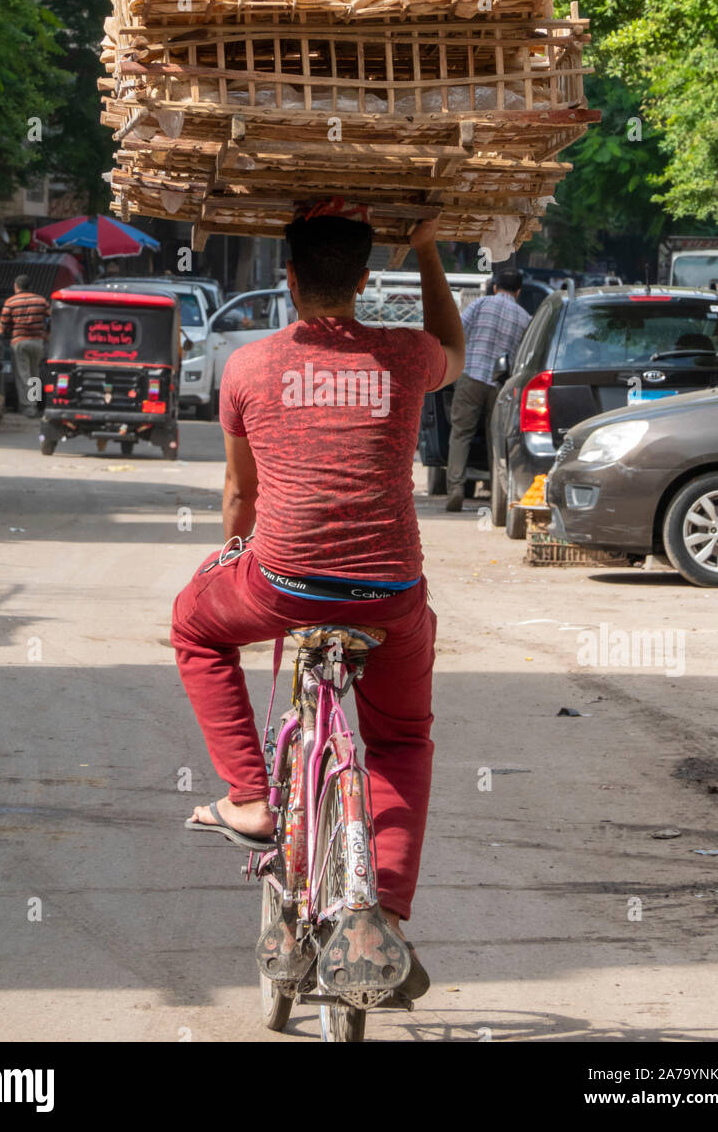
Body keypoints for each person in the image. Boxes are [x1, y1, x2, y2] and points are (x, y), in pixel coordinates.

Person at [170, 199, 464, 997]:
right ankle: (386, 918)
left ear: (288, 277)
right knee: (400, 741)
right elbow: (457, 349)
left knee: (193, 627)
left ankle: (249, 798)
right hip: (391, 591)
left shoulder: (248, 367)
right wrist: (430, 248)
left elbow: (241, 491)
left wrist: (231, 552)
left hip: (282, 581)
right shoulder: (406, 357)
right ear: (366, 281)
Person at [445, 267, 530, 511]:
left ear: (495, 286)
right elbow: (524, 356)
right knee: (497, 440)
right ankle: (498, 494)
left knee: (461, 434)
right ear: (518, 291)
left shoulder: (480, 305)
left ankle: (456, 489)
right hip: (501, 386)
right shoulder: (524, 317)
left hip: (471, 376)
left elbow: (457, 331)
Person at [0, 274, 50, 418]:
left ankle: (28, 407)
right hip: (38, 342)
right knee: (35, 374)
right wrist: (47, 333)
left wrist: (2, 334)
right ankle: (35, 404)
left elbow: (3, 323)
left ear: (16, 286)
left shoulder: (11, 301)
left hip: (19, 342)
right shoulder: (41, 300)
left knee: (23, 374)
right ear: (30, 287)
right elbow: (51, 317)